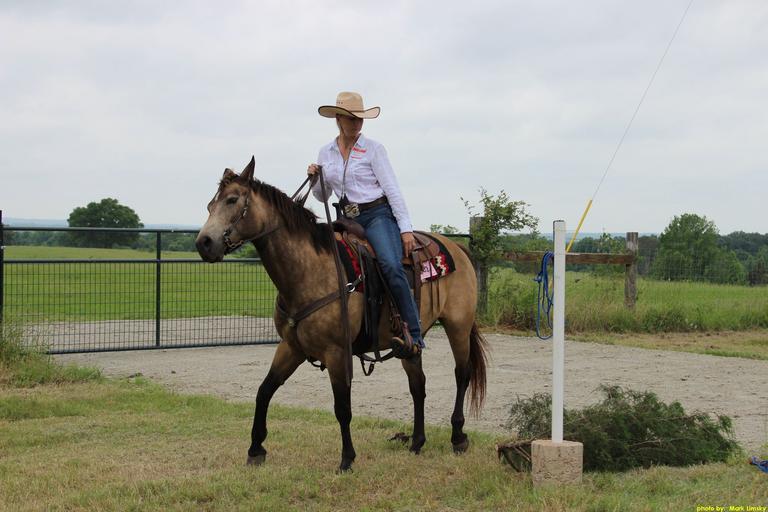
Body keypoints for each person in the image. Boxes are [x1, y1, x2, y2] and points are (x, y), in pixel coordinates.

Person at [307, 91, 423, 358]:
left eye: (360, 118)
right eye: (352, 118)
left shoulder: (374, 149)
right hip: (345, 219)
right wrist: (314, 180)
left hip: (376, 215)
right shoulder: (326, 152)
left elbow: (392, 189)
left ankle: (414, 335)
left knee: (391, 265)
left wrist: (405, 228)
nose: (357, 123)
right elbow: (323, 196)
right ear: (338, 119)